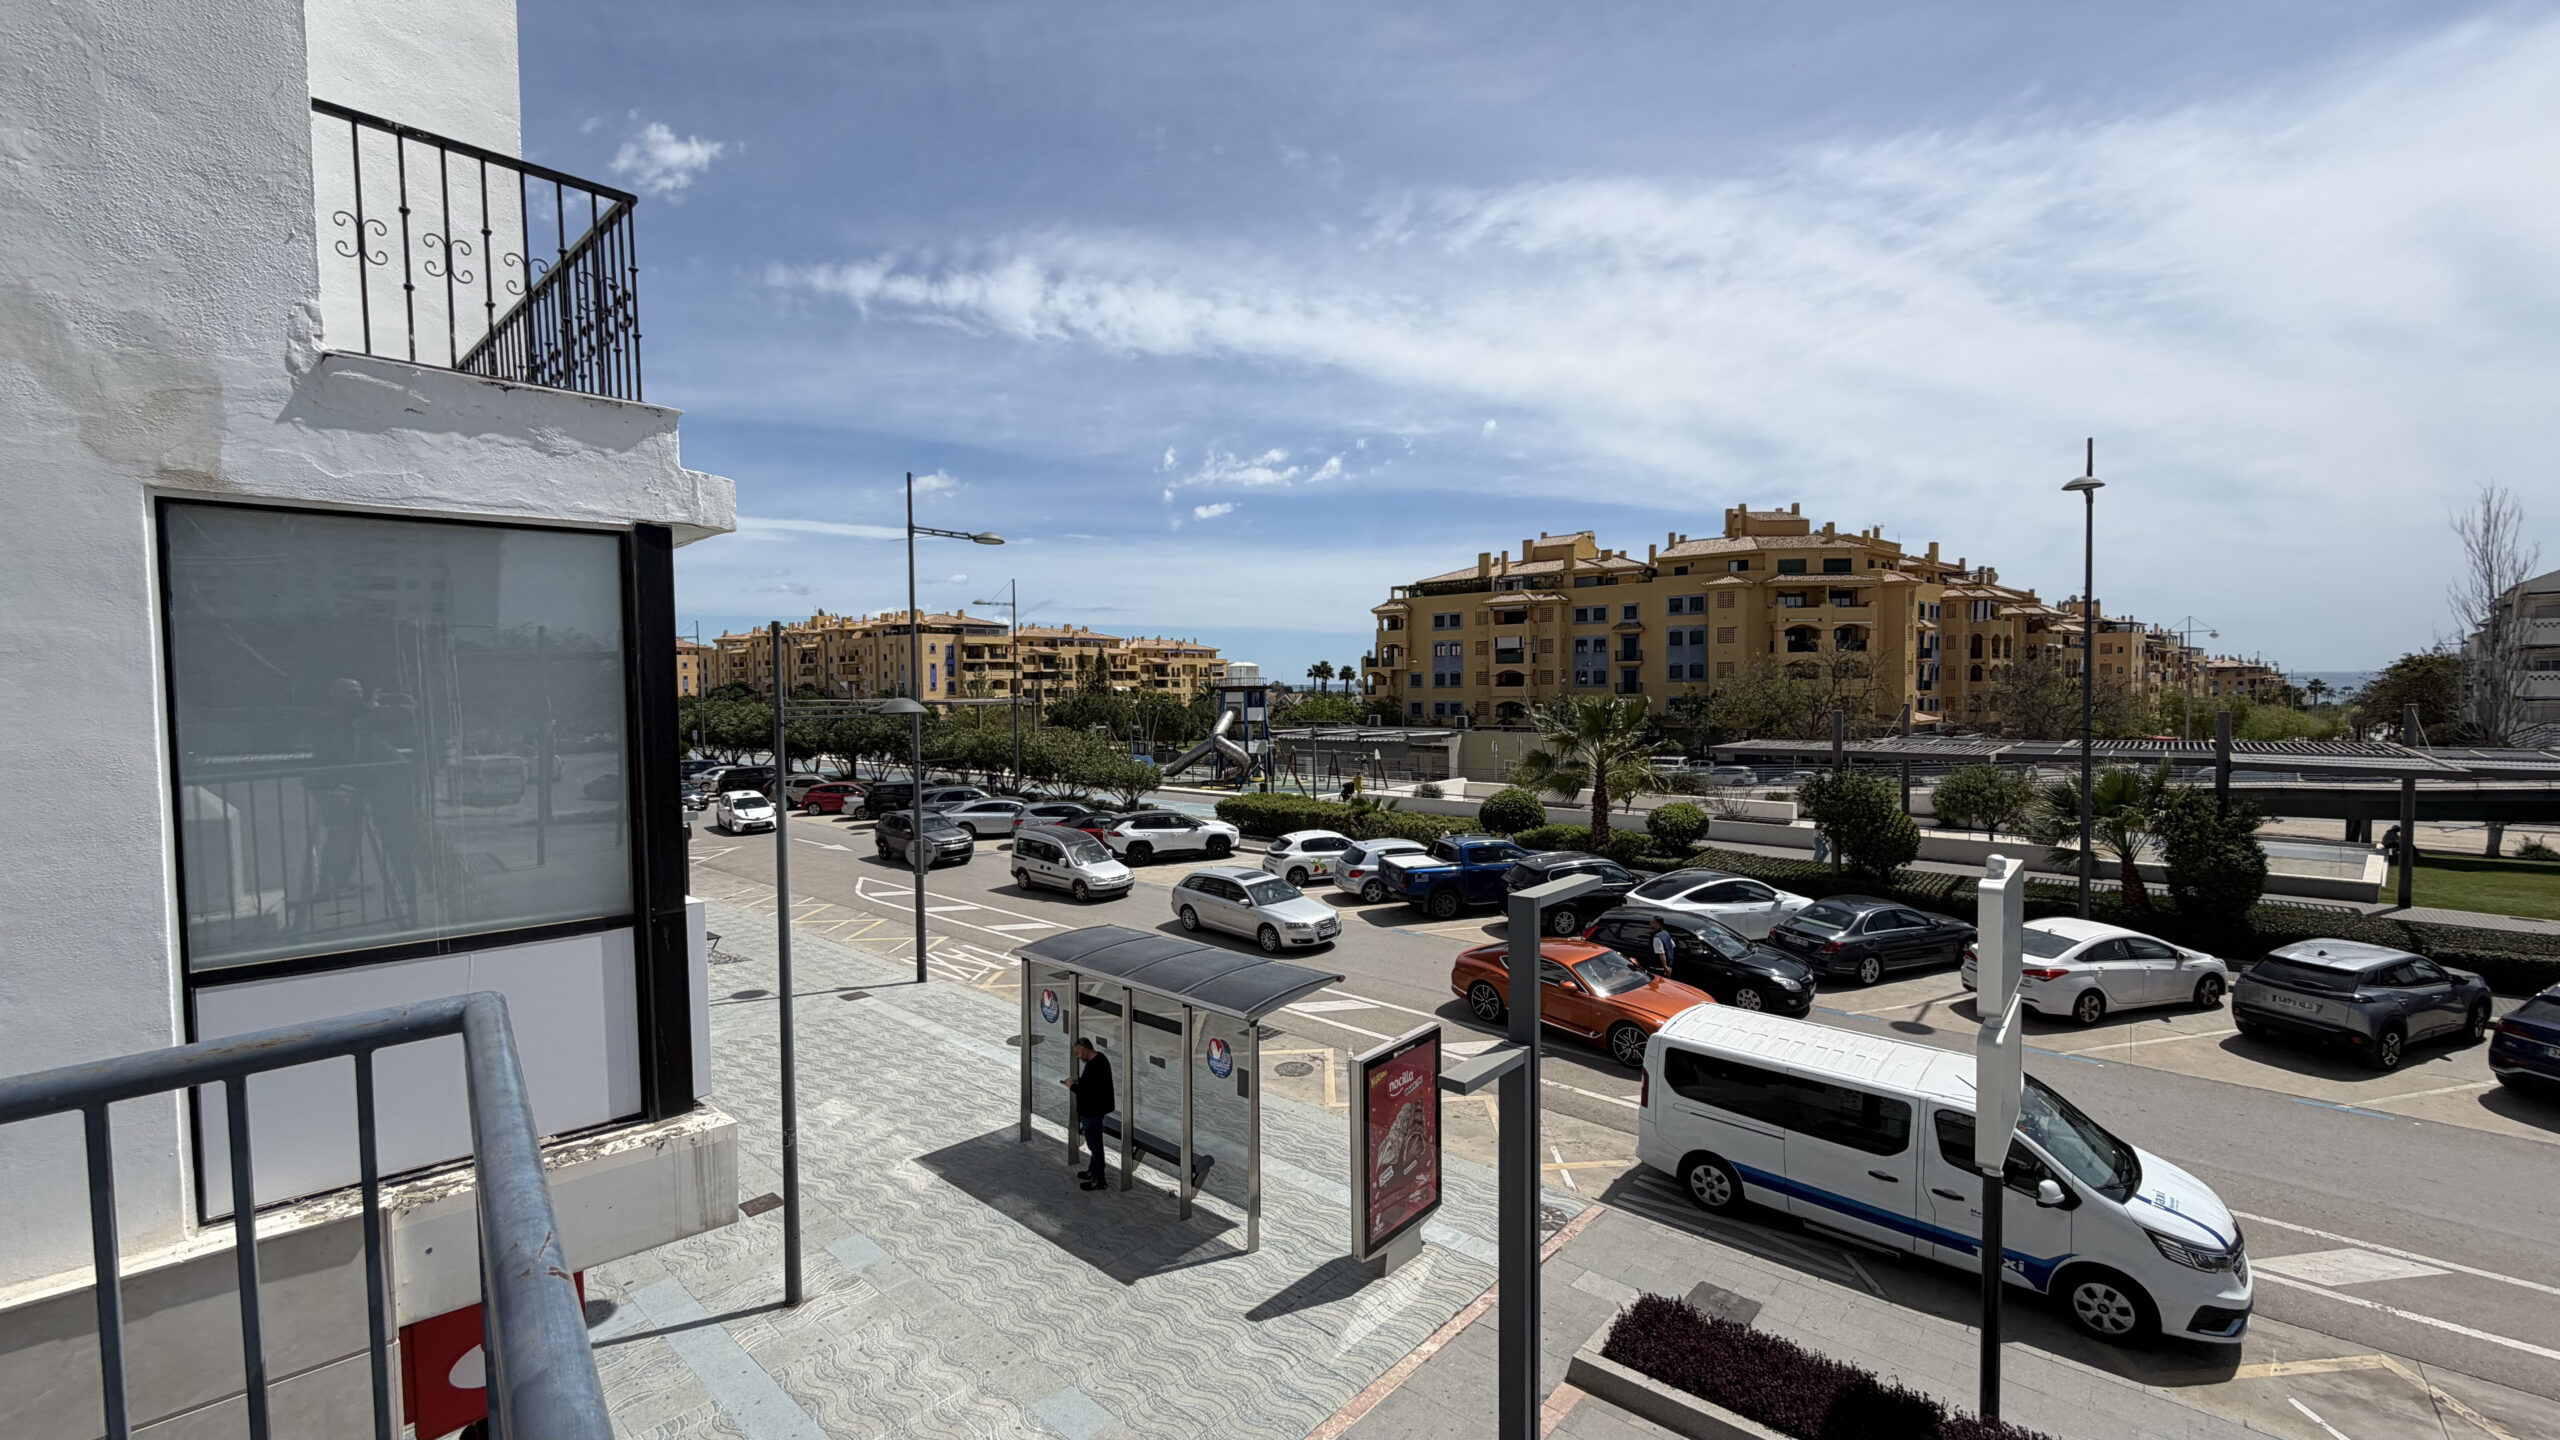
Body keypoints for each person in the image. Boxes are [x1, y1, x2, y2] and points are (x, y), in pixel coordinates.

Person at [1061, 1038, 1115, 1191]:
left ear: (1085, 1048)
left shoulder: (1095, 1065)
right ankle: (1093, 1171)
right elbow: (1091, 1085)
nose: (1078, 1056)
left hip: (1093, 1111)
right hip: (1092, 1111)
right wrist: (1078, 1081)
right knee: (1093, 1144)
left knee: (1095, 1145)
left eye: (1079, 1053)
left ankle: (1099, 1179)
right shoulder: (1099, 1060)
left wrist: (1072, 1087)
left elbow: (1089, 1092)